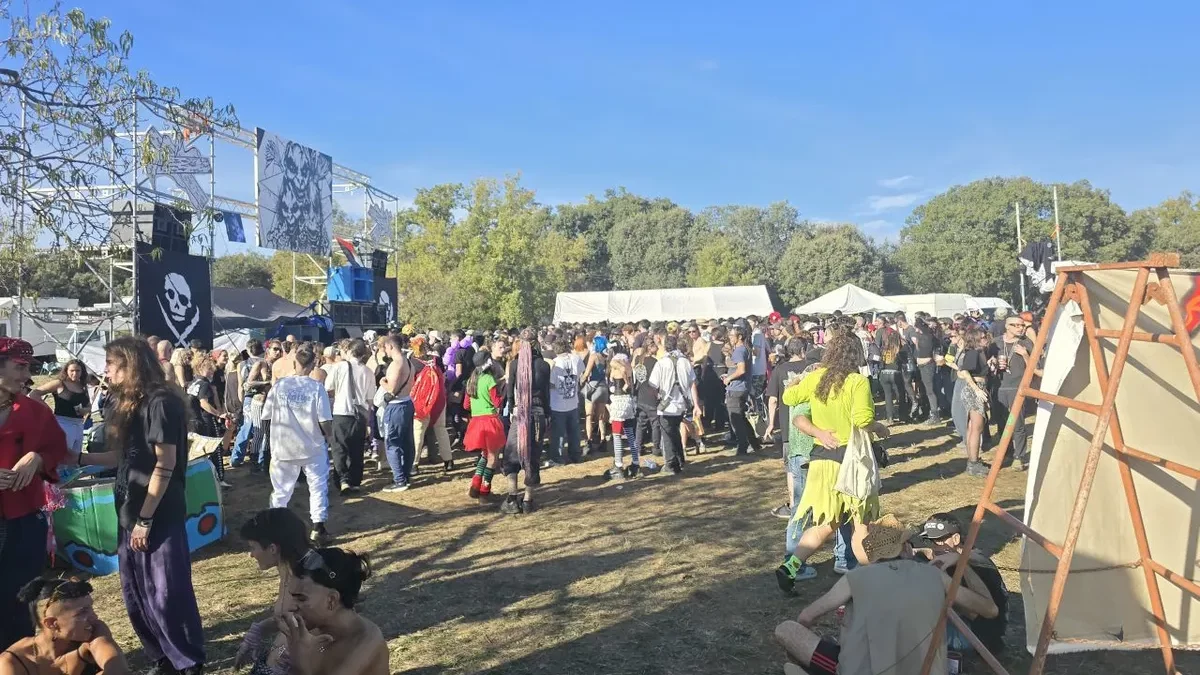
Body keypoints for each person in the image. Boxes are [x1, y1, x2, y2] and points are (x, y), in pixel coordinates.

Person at [77, 336, 205, 675]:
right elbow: (122, 457)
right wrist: (77, 458)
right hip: (129, 511)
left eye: (111, 364)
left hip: (157, 514)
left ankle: (187, 662)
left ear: (130, 365)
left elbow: (165, 463)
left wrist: (145, 519)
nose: (105, 371)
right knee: (136, 592)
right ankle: (162, 657)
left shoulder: (161, 402)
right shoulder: (129, 402)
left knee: (166, 592)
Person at [773, 514, 998, 675]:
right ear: (907, 548)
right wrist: (962, 561)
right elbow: (990, 610)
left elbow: (806, 617)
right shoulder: (937, 576)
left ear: (872, 556)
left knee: (787, 633)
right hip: (926, 669)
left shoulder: (855, 578)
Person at [776, 334, 890, 594]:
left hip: (822, 460)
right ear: (856, 354)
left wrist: (798, 381)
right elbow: (862, 419)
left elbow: (789, 398)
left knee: (827, 523)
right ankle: (869, 581)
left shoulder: (817, 378)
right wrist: (880, 428)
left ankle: (790, 567)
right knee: (861, 523)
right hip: (852, 461)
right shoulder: (857, 381)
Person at [0, 338, 69, 650]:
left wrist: (38, 458)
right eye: (20, 367)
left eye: (28, 367)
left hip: (25, 519)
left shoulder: (34, 411)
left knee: (20, 597)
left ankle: (19, 660)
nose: (27, 375)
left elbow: (57, 447)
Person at [273, 548, 389, 675]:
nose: (290, 607)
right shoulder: (309, 630)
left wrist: (300, 663)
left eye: (301, 598)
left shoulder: (367, 642)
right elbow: (274, 660)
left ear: (331, 600)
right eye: (292, 597)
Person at [261, 349, 334, 547]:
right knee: (317, 486)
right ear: (313, 365)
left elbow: (266, 416)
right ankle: (318, 528)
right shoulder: (316, 388)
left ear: (295, 364)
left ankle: (276, 528)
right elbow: (325, 420)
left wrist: (270, 440)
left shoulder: (279, 386)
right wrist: (330, 436)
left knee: (281, 490)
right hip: (312, 446)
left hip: (283, 445)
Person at [913, 513, 1009, 656]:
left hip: (980, 638)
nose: (934, 546)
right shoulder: (965, 554)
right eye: (929, 540)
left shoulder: (974, 564)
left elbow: (981, 612)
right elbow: (931, 552)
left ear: (956, 539)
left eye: (939, 540)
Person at [233, 508, 314, 671]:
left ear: (272, 549)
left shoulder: (308, 580)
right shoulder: (287, 567)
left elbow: (319, 630)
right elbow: (291, 618)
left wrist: (281, 656)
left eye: (253, 547)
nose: (251, 555)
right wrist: (259, 630)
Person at [0, 578, 130, 675]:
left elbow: (118, 670)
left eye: (91, 607)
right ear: (52, 624)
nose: (94, 617)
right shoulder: (12, 662)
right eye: (82, 612)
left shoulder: (94, 631)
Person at [501, 329, 551, 514]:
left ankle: (512, 498)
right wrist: (548, 414)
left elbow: (509, 392)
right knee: (533, 457)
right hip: (538, 413)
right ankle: (528, 500)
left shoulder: (514, 364)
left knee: (511, 455)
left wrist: (511, 410)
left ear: (521, 343)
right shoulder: (544, 366)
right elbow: (546, 393)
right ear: (536, 343)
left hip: (520, 414)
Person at [325, 340, 376, 495]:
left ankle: (343, 479)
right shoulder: (368, 371)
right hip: (360, 414)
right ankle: (355, 481)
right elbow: (370, 399)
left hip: (341, 411)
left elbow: (328, 387)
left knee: (339, 448)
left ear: (349, 351)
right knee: (357, 449)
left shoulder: (339, 367)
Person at [648, 335, 702, 475]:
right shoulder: (685, 362)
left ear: (665, 347)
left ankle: (671, 464)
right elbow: (692, 385)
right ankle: (680, 460)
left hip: (666, 406)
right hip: (682, 404)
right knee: (675, 432)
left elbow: (653, 385)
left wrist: (658, 398)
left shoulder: (661, 363)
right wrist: (696, 404)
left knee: (668, 435)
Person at [463, 351, 507, 503]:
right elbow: (497, 402)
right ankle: (484, 492)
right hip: (490, 421)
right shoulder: (489, 379)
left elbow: (466, 405)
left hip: (476, 422)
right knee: (493, 458)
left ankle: (475, 486)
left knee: (484, 455)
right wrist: (504, 389)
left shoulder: (471, 380)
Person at [993, 315, 1035, 471]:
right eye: (1016, 325)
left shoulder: (1026, 343)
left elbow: (1034, 367)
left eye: (1022, 325)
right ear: (1007, 326)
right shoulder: (996, 342)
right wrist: (991, 363)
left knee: (1017, 423)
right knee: (1002, 423)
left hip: (1017, 388)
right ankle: (1007, 453)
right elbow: (987, 360)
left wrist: (1024, 354)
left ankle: (1019, 456)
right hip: (999, 386)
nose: (1020, 328)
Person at [30, 359, 90, 458]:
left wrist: (85, 410)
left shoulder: (82, 386)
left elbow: (88, 405)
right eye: (72, 371)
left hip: (79, 424)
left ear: (82, 371)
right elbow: (34, 394)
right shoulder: (59, 383)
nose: (75, 373)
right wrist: (47, 409)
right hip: (63, 423)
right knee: (62, 455)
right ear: (66, 371)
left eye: (78, 371)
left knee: (75, 457)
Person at [185, 354, 231, 487]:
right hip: (205, 420)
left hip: (193, 421)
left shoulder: (192, 383)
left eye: (212, 369)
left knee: (198, 452)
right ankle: (219, 478)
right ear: (200, 368)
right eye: (209, 369)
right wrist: (219, 414)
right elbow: (203, 403)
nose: (212, 372)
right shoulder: (204, 384)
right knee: (215, 449)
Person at [380, 336, 417, 492]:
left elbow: (391, 389)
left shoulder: (396, 364)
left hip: (396, 406)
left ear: (390, 346)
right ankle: (405, 476)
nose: (385, 351)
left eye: (385, 348)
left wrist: (382, 382)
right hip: (407, 403)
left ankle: (399, 480)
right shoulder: (409, 362)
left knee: (392, 443)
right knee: (407, 443)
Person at [410, 337, 452, 473]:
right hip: (439, 400)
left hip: (421, 402)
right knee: (441, 429)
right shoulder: (436, 360)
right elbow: (443, 378)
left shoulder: (412, 362)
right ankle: (448, 460)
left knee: (418, 432)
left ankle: (414, 464)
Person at [956, 328, 991, 478]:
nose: (985, 339)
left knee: (973, 427)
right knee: (976, 427)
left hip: (977, 387)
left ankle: (973, 460)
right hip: (974, 389)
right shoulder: (973, 353)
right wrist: (976, 389)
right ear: (975, 340)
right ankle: (973, 462)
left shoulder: (980, 352)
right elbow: (964, 371)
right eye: (982, 337)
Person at [723, 326, 761, 455]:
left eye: (732, 336)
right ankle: (754, 443)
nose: (730, 338)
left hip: (736, 388)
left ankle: (742, 446)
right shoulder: (745, 349)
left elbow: (741, 369)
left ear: (739, 337)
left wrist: (729, 378)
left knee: (736, 419)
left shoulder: (739, 350)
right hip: (743, 387)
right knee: (742, 418)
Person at [548, 338, 584, 466]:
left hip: (557, 403)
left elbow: (551, 384)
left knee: (558, 433)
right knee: (574, 431)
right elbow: (581, 372)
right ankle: (575, 455)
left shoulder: (555, 363)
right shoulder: (576, 359)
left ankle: (557, 458)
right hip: (573, 401)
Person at [582, 335, 610, 453]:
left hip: (593, 387)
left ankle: (589, 441)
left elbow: (587, 373)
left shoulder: (593, 356)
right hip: (603, 386)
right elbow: (607, 373)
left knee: (589, 416)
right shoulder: (606, 358)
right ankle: (603, 440)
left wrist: (581, 381)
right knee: (601, 416)